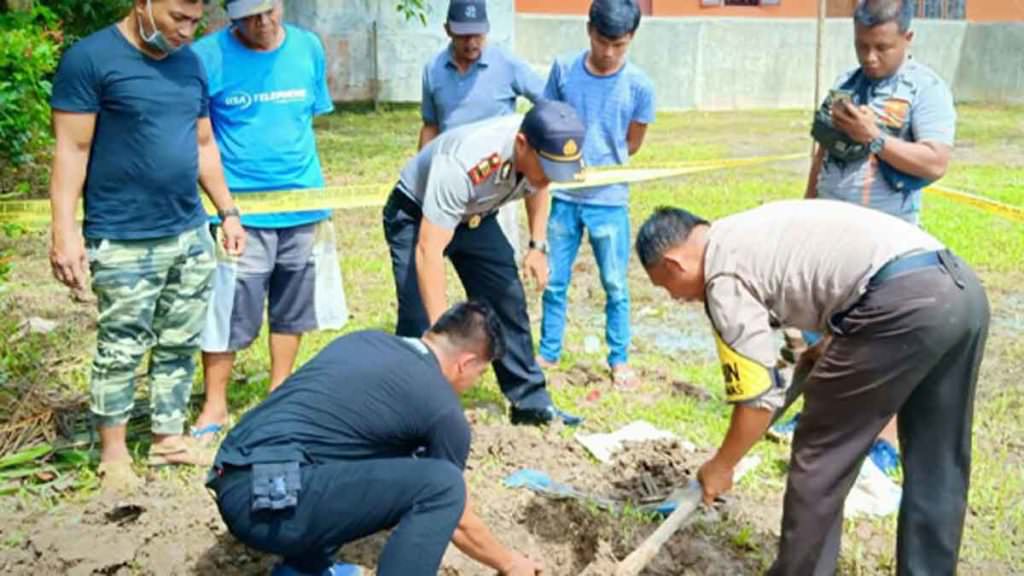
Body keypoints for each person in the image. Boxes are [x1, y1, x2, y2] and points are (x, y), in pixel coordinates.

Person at [636, 201, 988, 575]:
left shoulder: (721, 275)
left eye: (667, 287)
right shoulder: (744, 231)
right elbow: (833, 278)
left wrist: (722, 466)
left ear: (675, 263)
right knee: (938, 459)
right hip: (960, 291)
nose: (675, 298)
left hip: (900, 304)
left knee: (822, 455)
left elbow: (757, 401)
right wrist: (837, 337)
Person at [47, 0, 246, 494]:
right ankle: (113, 452)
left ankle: (168, 438)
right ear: (142, 4)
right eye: (178, 17)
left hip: (187, 231)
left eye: (195, 20)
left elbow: (203, 144)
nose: (187, 30)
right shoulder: (90, 59)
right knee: (121, 345)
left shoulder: (189, 63)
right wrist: (64, 230)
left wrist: (228, 211)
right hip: (124, 236)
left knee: (180, 340)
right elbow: (72, 149)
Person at [208, 301, 544, 576]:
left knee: (367, 457)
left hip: (237, 480)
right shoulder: (442, 409)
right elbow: (457, 515)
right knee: (442, 485)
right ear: (466, 363)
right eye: (480, 373)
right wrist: (510, 562)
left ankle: (303, 571)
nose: (473, 382)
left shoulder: (365, 341)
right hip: (272, 502)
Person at [795, 0, 957, 469]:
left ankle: (883, 442)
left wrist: (876, 138)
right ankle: (818, 417)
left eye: (881, 47)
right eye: (862, 46)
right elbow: (820, 156)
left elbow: (935, 162)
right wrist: (807, 215)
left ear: (907, 39)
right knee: (823, 328)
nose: (870, 57)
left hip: (886, 246)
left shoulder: (925, 91)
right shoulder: (846, 87)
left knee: (879, 346)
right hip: (830, 237)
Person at [190, 0, 348, 443]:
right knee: (227, 309)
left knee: (292, 306)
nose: (261, 23)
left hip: (303, 203)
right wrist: (225, 210)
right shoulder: (207, 57)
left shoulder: (308, 48)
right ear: (230, 16)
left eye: (269, 11)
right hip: (238, 211)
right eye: (248, 17)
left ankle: (280, 391)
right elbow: (201, 138)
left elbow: (304, 121)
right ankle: (215, 402)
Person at [383, 100, 584, 426]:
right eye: (548, 167)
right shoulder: (465, 162)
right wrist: (441, 336)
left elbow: (539, 184)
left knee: (507, 297)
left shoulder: (542, 144)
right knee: (417, 314)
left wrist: (537, 244)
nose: (551, 178)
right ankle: (414, 407)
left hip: (476, 215)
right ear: (522, 145)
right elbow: (428, 252)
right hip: (416, 214)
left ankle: (529, 402)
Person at [537, 0, 655, 388]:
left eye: (619, 45)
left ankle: (619, 358)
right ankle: (549, 352)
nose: (608, 52)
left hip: (609, 200)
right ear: (589, 30)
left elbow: (633, 143)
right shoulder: (564, 71)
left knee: (616, 284)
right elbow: (548, 121)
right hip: (565, 196)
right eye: (603, 41)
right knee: (555, 280)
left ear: (632, 39)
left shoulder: (640, 86)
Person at [419, 0, 546, 258]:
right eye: (463, 35)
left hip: (497, 182)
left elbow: (547, 103)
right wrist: (424, 175)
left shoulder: (507, 64)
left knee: (497, 268)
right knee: (434, 256)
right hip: (452, 182)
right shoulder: (433, 70)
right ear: (447, 30)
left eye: (477, 34)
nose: (471, 42)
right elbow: (431, 126)